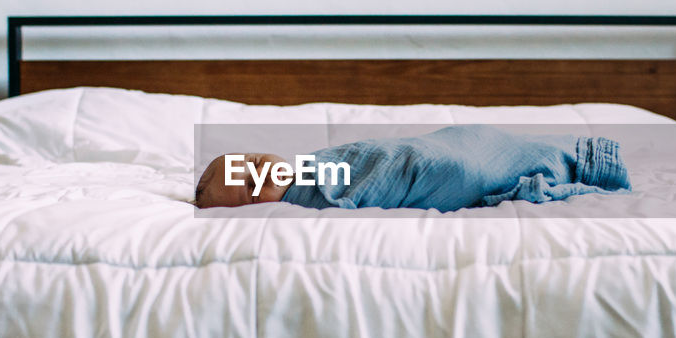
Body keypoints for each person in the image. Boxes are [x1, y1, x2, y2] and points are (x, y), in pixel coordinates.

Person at [194, 125, 630, 211]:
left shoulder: (317, 165)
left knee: (460, 149)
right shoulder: (306, 199)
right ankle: (572, 168)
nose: (263, 176)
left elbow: (387, 155)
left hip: (434, 149)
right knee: (462, 171)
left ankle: (575, 157)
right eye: (251, 188)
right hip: (441, 173)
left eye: (253, 164)